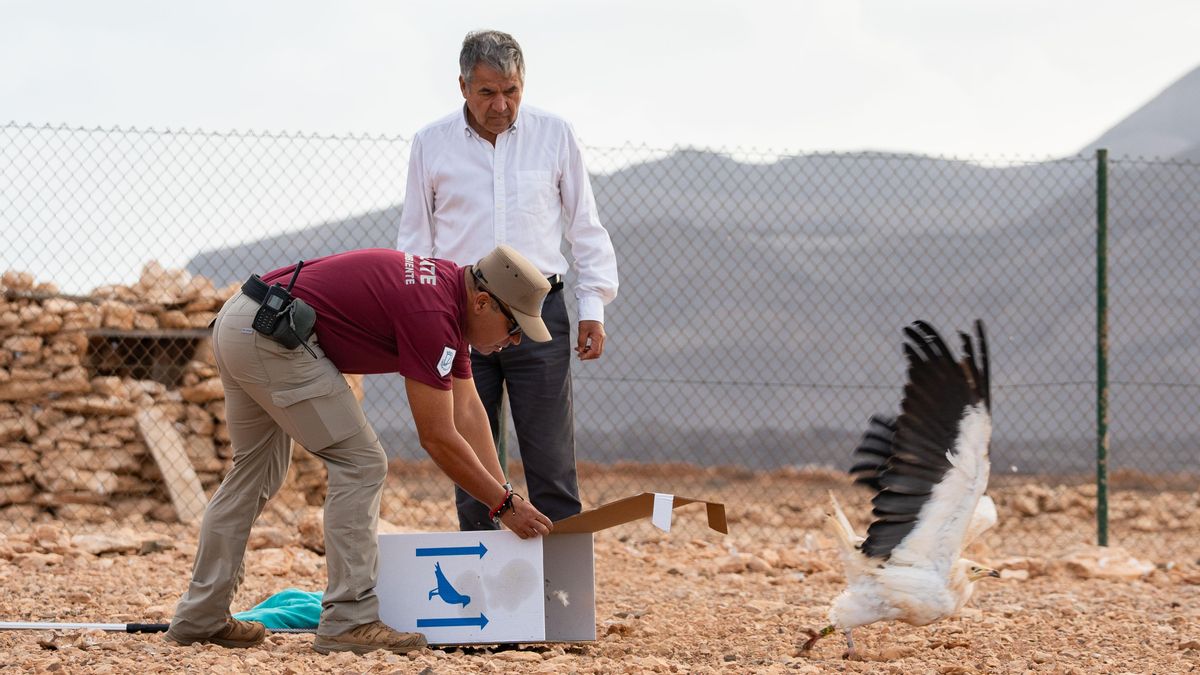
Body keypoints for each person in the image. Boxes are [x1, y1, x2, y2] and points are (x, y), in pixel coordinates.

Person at [164, 245, 555, 655]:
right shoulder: (433, 314)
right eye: (514, 327)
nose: (515, 341)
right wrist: (503, 505)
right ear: (482, 302)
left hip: (243, 321)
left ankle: (201, 615)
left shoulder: (446, 295)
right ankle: (350, 619)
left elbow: (469, 410)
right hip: (272, 331)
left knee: (254, 473)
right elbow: (438, 436)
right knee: (361, 462)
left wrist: (505, 495)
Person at [397, 29, 618, 531]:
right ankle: (482, 576)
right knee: (473, 461)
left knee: (551, 460)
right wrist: (421, 323)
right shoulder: (430, 143)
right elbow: (415, 241)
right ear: (462, 87)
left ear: (523, 83)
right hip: (458, 317)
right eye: (487, 92)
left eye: (511, 91)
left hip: (539, 315)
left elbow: (585, 226)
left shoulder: (556, 135)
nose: (500, 105)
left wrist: (593, 308)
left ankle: (558, 579)